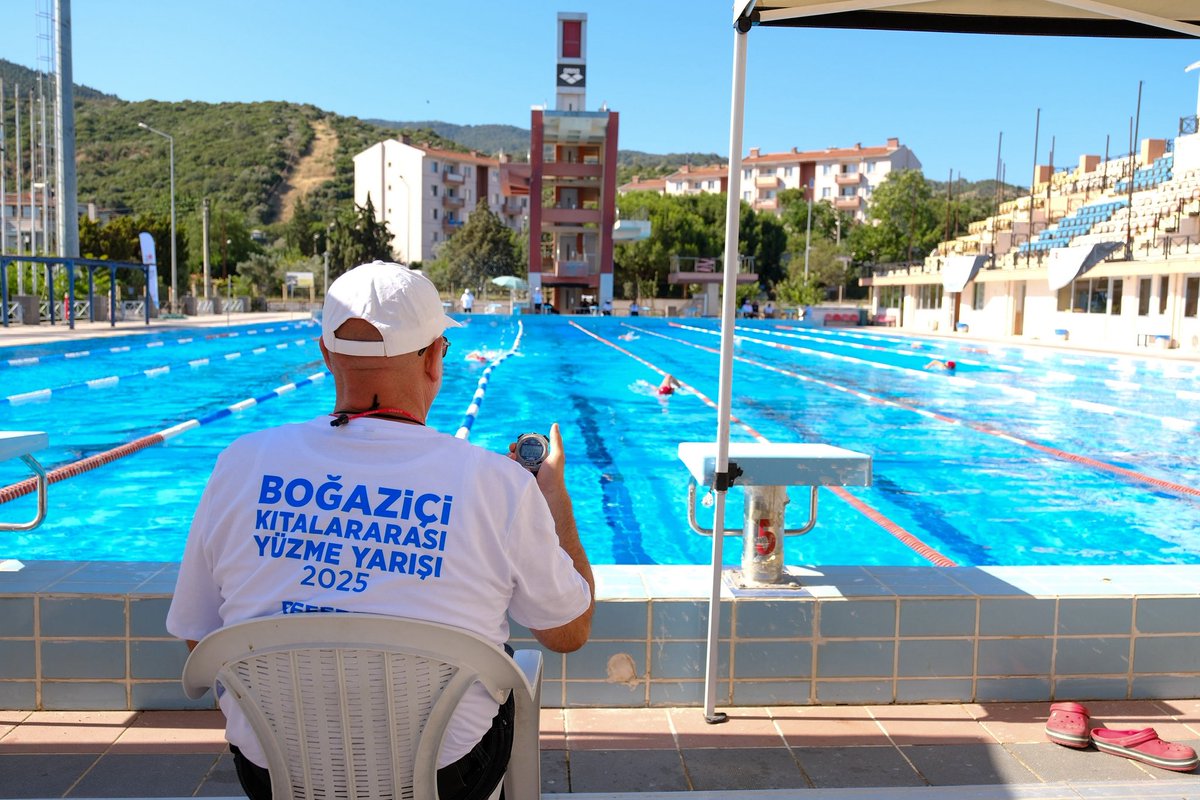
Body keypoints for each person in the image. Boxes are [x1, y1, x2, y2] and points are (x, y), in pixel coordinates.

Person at [166, 261, 594, 800]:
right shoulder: (499, 483)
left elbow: (198, 638)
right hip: (445, 777)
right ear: (436, 358)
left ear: (324, 355)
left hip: (277, 768)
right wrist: (551, 497)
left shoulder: (241, 462)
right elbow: (568, 633)